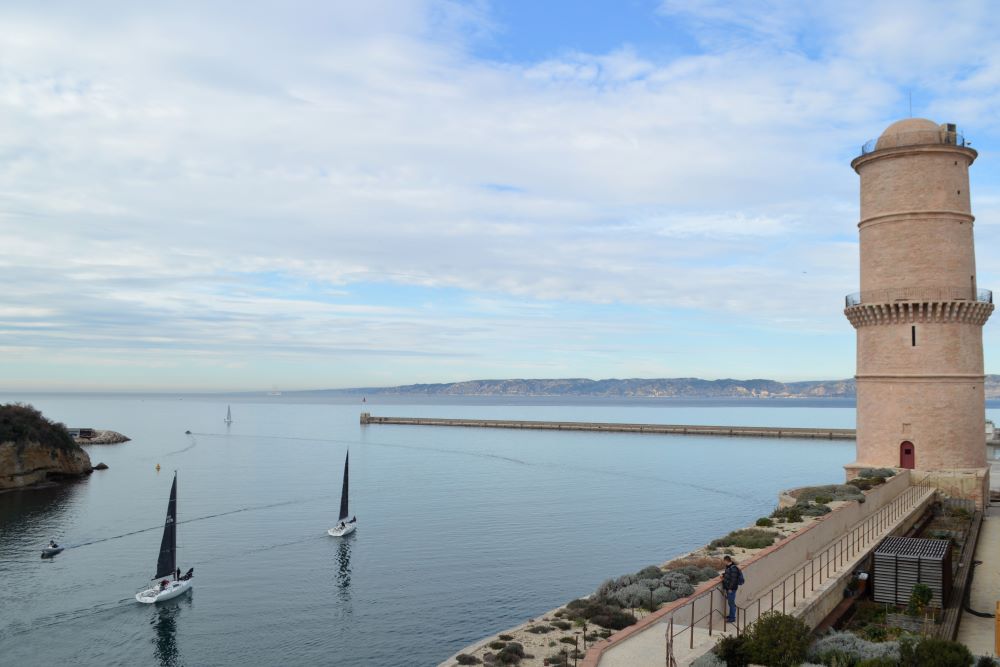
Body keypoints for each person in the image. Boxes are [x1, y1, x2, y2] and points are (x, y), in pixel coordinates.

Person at [721, 556, 743, 623]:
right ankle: (731, 615)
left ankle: (732, 618)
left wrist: (730, 588)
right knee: (730, 603)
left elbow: (733, 580)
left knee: (731, 603)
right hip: (729, 588)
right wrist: (724, 575)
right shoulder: (729, 567)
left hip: (731, 589)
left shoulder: (733, 568)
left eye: (724, 561)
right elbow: (729, 575)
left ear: (726, 561)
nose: (723, 562)